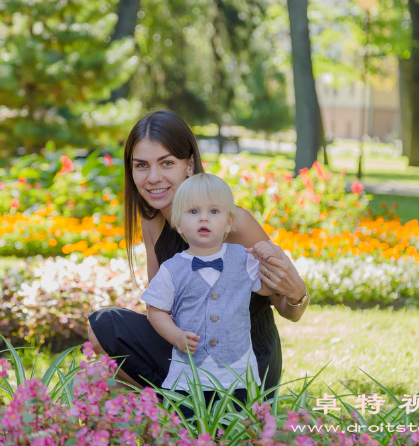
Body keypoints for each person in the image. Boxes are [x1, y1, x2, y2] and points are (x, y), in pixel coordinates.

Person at [87, 110, 309, 397]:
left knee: (109, 375)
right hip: (188, 348)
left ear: (189, 164)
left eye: (166, 163)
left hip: (243, 360)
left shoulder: (234, 223)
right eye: (141, 165)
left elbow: (289, 309)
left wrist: (297, 294)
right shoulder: (151, 219)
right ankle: (172, 418)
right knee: (101, 348)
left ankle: (196, 416)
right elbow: (161, 307)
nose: (153, 178)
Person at [140, 173, 276, 414]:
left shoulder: (243, 259)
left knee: (238, 432)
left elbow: (267, 287)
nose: (204, 217)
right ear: (178, 223)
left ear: (229, 222)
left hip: (238, 374)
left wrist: (268, 255)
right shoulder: (172, 268)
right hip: (188, 376)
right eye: (193, 212)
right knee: (188, 430)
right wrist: (176, 336)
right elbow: (155, 310)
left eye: (214, 212)